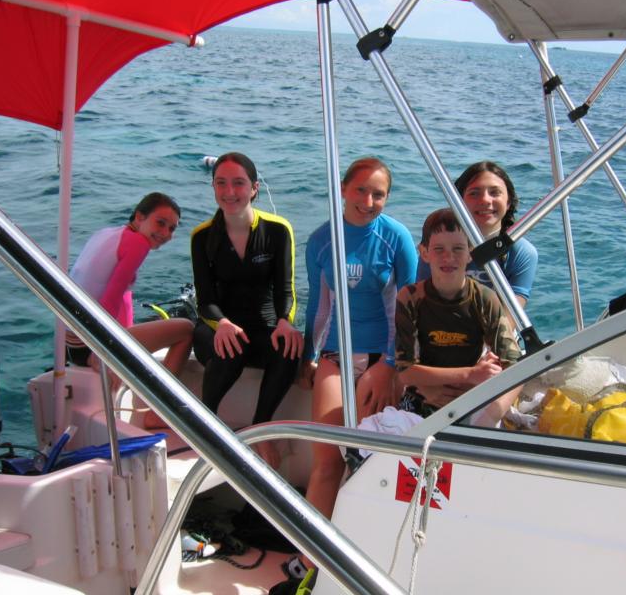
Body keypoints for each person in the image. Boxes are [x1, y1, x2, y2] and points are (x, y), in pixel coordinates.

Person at [281, 157, 416, 587]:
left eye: (378, 194)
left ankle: (365, 554)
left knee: (369, 464)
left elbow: (407, 309)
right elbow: (320, 305)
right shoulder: (322, 240)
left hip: (382, 360)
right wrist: (310, 355)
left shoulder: (396, 238)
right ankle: (309, 557)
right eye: (361, 190)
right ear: (343, 189)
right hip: (338, 356)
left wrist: (391, 366)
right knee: (326, 459)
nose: (369, 201)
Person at [191, 152, 303, 465]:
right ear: (213, 187)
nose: (229, 192)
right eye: (221, 183)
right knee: (231, 346)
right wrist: (222, 323)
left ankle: (259, 427)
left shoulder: (278, 230)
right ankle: (206, 420)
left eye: (238, 183)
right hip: (217, 329)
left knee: (290, 346)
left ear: (254, 188)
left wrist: (285, 321)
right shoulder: (201, 237)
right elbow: (205, 302)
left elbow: (286, 290)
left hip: (262, 328)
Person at [65, 192, 193, 429]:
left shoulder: (107, 234)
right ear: (140, 216)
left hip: (70, 343)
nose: (165, 233)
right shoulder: (138, 244)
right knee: (186, 329)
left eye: (172, 229)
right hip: (88, 344)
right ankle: (156, 411)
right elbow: (111, 297)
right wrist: (102, 351)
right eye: (160, 223)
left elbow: (112, 291)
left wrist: (124, 334)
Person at [397, 208, 523, 424]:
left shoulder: (484, 298)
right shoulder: (410, 298)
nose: (449, 257)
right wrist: (468, 375)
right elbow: (405, 371)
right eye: (439, 249)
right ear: (424, 253)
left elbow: (515, 364)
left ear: (470, 252)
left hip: (471, 396)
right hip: (423, 394)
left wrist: (491, 413)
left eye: (458, 248)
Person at [417, 160, 538, 309]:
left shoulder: (521, 252)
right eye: (474, 193)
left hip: (497, 329)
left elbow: (511, 317)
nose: (485, 200)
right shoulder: (438, 244)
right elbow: (422, 302)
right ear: (458, 202)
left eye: (495, 192)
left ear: (508, 202)